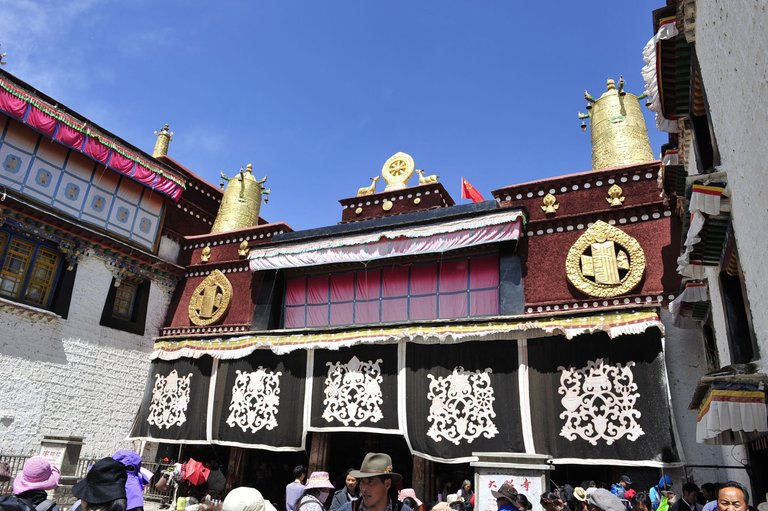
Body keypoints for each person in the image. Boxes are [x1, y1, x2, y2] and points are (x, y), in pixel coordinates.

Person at [338, 452, 412, 511]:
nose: (364, 489)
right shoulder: (348, 509)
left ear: (387, 484)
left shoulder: (403, 509)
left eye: (370, 482)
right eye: (362, 482)